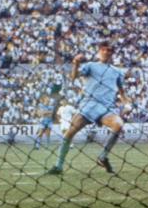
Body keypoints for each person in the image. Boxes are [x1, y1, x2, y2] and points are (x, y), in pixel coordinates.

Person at [47, 42, 128, 175]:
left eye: (109, 50)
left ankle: (102, 157)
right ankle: (58, 166)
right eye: (103, 50)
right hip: (88, 105)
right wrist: (76, 63)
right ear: (99, 52)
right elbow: (73, 77)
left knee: (118, 125)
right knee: (69, 134)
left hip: (106, 108)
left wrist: (126, 103)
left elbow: (122, 91)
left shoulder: (117, 71)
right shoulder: (90, 66)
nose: (106, 52)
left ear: (112, 53)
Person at [34, 84, 62, 149]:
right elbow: (40, 113)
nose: (48, 100)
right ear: (44, 99)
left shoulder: (51, 106)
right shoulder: (41, 105)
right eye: (46, 99)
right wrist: (45, 112)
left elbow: (51, 114)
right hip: (43, 120)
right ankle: (37, 145)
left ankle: (47, 145)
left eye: (48, 99)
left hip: (49, 121)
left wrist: (45, 112)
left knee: (48, 134)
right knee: (40, 133)